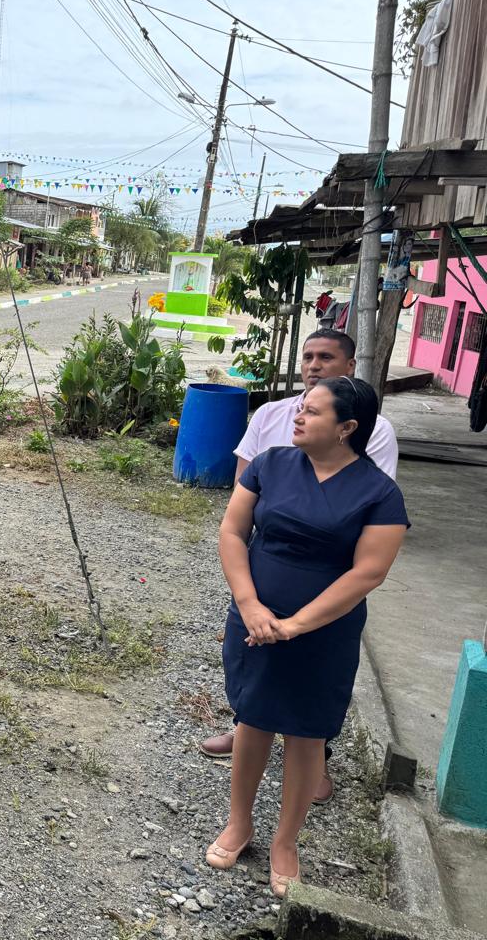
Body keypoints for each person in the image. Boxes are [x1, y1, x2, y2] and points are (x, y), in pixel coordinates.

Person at [207, 377, 407, 897]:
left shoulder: (379, 493)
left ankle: (286, 842)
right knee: (253, 719)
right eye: (301, 408)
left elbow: (368, 572)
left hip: (324, 632)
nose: (298, 417)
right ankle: (239, 823)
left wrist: (295, 625)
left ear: (346, 428)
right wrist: (250, 605)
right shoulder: (271, 464)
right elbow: (232, 531)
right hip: (254, 618)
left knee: (307, 733)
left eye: (312, 412)